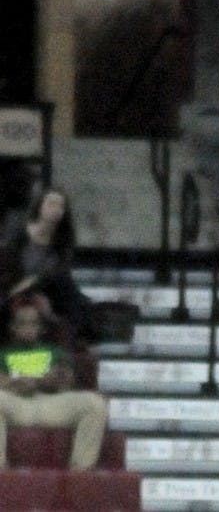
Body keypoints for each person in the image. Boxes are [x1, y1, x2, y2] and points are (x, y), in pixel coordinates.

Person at [0, 292, 109, 469]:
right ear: (12, 327)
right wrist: (17, 384)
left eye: (33, 324)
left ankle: (80, 471)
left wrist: (45, 382)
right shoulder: (3, 353)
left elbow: (65, 382)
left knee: (95, 404)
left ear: (41, 328)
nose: (28, 329)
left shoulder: (55, 351)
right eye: (22, 324)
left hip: (49, 403)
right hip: (16, 404)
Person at [0, 186, 96, 344]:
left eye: (60, 206)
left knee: (75, 301)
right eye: (51, 204)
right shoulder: (20, 233)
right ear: (40, 206)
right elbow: (7, 264)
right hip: (14, 284)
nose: (56, 209)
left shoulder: (63, 240)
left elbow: (57, 272)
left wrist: (36, 284)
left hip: (46, 287)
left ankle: (70, 345)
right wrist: (18, 287)